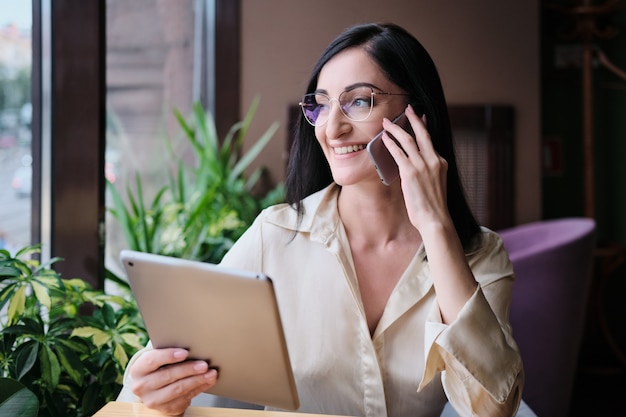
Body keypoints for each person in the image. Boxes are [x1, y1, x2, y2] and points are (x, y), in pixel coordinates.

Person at [117, 22, 524, 417]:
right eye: (321, 104)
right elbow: (180, 359)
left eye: (358, 101)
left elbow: (492, 408)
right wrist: (152, 383)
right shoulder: (276, 237)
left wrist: (436, 229)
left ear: (416, 114)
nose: (333, 128)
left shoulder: (480, 255)